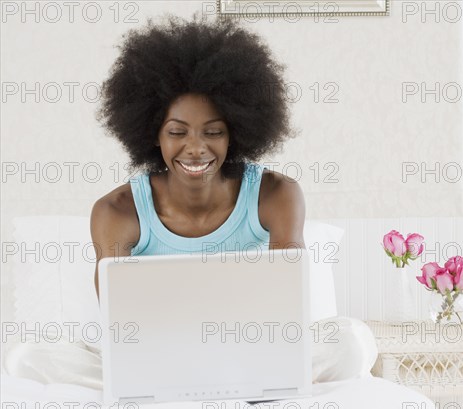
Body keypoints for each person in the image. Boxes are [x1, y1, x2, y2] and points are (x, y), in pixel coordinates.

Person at [91, 14, 305, 297]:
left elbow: (288, 298)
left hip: (255, 337)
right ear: (153, 134)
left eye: (214, 132)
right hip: (158, 341)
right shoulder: (117, 212)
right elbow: (118, 320)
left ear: (234, 134)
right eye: (177, 133)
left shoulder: (276, 195)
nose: (195, 148)